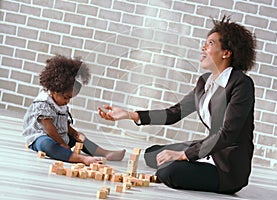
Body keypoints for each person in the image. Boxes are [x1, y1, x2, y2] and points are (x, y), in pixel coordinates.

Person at [98, 15, 256, 194]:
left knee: (168, 171)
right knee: (152, 155)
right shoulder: (204, 82)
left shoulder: (241, 84)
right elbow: (174, 113)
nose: (203, 48)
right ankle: (187, 162)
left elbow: (228, 134)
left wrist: (183, 155)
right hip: (207, 150)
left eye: (210, 43)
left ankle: (188, 165)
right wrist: (129, 114)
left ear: (226, 53)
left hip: (226, 166)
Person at [22, 55, 126, 166]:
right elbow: (49, 129)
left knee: (81, 138)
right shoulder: (42, 103)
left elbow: (62, 122)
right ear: (54, 89)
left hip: (60, 135)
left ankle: (105, 153)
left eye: (70, 98)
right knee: (48, 145)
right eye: (66, 97)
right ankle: (81, 159)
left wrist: (74, 133)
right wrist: (61, 143)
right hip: (41, 137)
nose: (67, 101)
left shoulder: (59, 102)